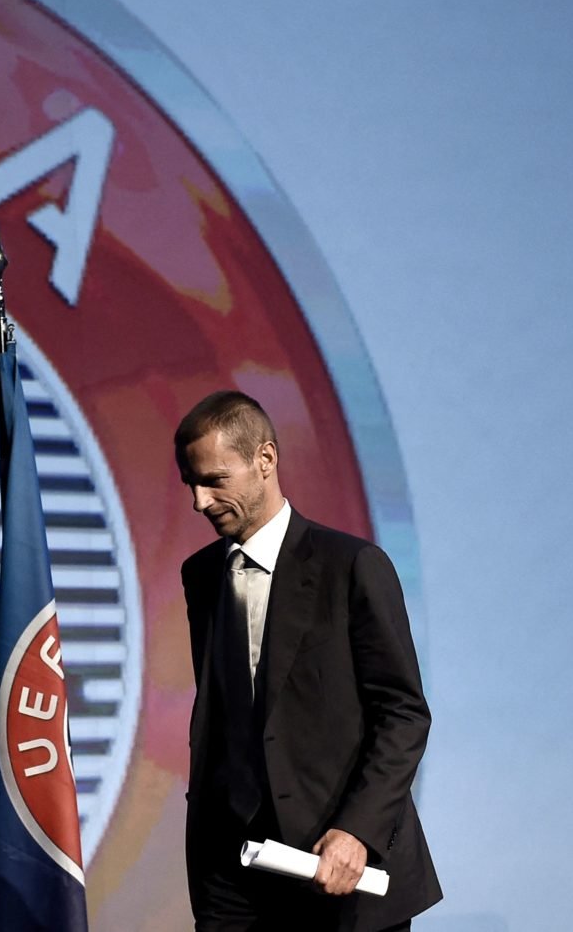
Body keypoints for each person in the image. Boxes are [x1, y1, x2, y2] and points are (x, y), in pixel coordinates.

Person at [174, 391, 441, 930]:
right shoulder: (201, 576)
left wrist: (357, 831)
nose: (199, 502)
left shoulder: (354, 566)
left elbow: (404, 714)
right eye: (191, 485)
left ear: (265, 460)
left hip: (338, 865)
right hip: (232, 875)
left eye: (214, 481)